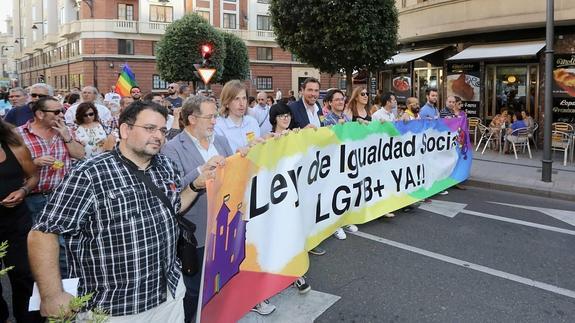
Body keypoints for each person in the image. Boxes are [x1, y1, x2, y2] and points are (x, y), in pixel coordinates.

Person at [27, 101, 213, 321]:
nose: (159, 136)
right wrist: (52, 294)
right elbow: (43, 233)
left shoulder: (166, 166)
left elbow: (173, 207)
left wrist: (194, 186)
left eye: (162, 130)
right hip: (113, 308)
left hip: (169, 295)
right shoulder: (90, 174)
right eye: (150, 128)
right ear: (125, 130)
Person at [162, 96, 275, 320]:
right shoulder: (172, 149)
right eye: (210, 116)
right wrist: (200, 172)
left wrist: (247, 154)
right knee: (194, 292)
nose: (215, 121)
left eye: (215, 116)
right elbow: (172, 191)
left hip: (225, 229)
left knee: (221, 285)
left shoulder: (221, 141)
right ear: (192, 119)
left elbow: (234, 172)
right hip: (197, 235)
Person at [0, 119, 43, 323]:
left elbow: (33, 176)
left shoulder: (14, 147)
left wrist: (23, 190)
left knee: (24, 275)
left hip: (15, 224)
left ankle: (28, 319)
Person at [17, 97, 85, 221]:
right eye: (56, 112)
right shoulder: (19, 134)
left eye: (62, 111)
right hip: (31, 198)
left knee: (60, 239)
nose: (61, 115)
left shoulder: (66, 130)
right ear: (40, 114)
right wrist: (34, 163)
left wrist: (66, 136)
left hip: (61, 195)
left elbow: (80, 155)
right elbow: (10, 167)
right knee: (34, 237)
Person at [214, 80, 261, 152]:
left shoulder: (252, 122)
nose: (242, 103)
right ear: (226, 103)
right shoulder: (217, 127)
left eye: (244, 98)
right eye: (236, 99)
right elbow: (220, 158)